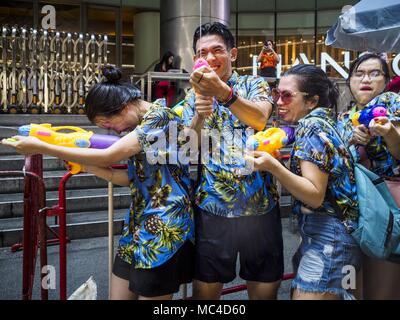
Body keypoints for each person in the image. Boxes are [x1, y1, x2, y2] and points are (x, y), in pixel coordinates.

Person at [2, 65, 195, 300]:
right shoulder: (138, 126)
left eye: (109, 124)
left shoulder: (160, 117)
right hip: (137, 224)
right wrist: (86, 166)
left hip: (165, 226)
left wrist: (42, 147)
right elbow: (129, 178)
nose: (113, 131)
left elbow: (110, 156)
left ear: (124, 108)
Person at [183, 22, 284, 300]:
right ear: (196, 59)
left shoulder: (254, 83)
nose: (211, 57)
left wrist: (222, 93)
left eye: (218, 50)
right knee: (205, 292)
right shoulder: (191, 93)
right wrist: (199, 116)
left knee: (264, 290)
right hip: (213, 208)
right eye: (204, 52)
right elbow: (185, 148)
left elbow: (260, 119)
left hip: (261, 206)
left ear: (233, 53)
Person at [246, 64, 362, 300]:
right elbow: (320, 179)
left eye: (287, 95)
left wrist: (274, 167)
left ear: (311, 101)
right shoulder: (329, 122)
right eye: (276, 94)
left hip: (328, 234)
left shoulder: (310, 127)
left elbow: (315, 194)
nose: (278, 101)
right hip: (336, 233)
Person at [336, 53, 400, 300]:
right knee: (349, 285)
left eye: (375, 73)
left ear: (385, 80)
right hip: (350, 214)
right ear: (350, 80)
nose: (366, 79)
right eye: (359, 73)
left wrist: (388, 134)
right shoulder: (342, 118)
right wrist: (350, 139)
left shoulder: (392, 105)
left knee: (382, 288)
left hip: (385, 208)